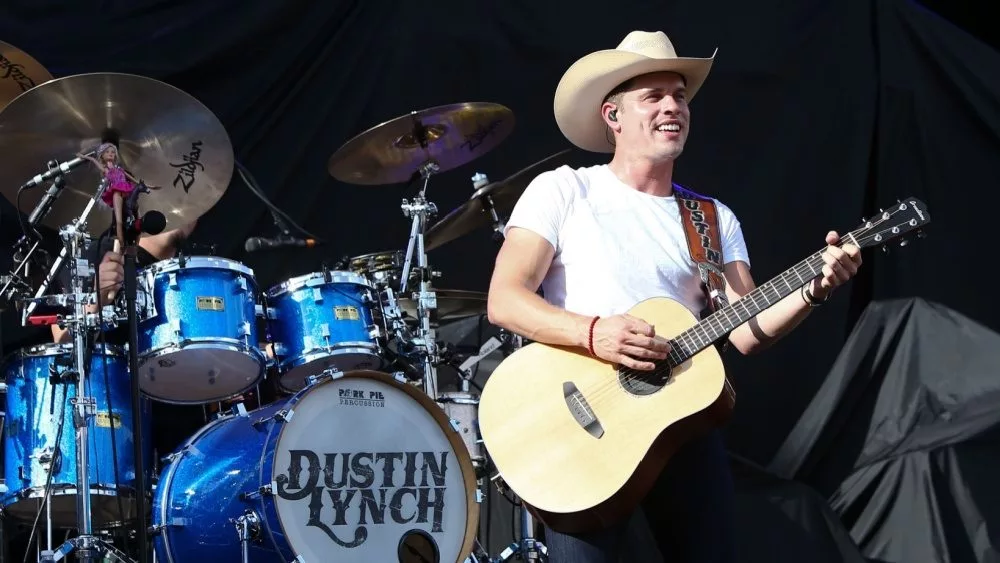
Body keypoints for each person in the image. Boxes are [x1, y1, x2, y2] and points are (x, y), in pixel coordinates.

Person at [486, 30, 862, 563]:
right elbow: (504, 299)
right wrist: (594, 333)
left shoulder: (711, 219)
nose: (672, 107)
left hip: (678, 428)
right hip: (578, 430)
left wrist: (814, 289)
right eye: (654, 97)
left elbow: (745, 330)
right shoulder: (565, 190)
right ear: (613, 115)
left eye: (680, 96)